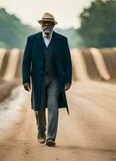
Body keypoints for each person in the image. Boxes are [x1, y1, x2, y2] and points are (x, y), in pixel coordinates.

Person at [22, 12, 72, 147]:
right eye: (44, 23)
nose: (46, 25)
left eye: (49, 23)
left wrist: (68, 79)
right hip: (38, 80)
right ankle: (41, 130)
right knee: (38, 108)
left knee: (52, 106)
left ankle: (51, 137)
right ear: (40, 25)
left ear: (53, 25)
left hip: (55, 80)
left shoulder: (62, 40)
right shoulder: (32, 40)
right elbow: (26, 61)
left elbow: (67, 61)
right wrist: (25, 79)